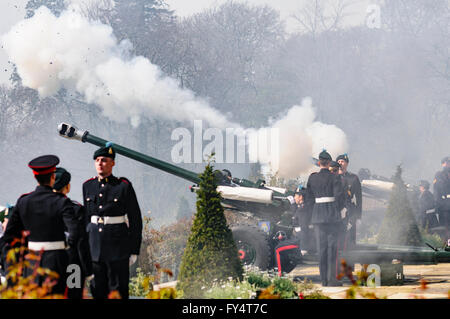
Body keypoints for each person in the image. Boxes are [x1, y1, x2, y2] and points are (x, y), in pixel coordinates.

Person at [0, 155, 80, 295]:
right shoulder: (62, 202)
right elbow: (75, 234)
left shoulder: (23, 201)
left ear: (35, 177)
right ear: (52, 177)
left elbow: (8, 239)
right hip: (56, 262)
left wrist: (12, 268)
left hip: (31, 264)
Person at [83, 144, 143, 299]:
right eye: (97, 160)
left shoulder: (123, 186)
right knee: (97, 291)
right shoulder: (87, 186)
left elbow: (135, 219)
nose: (100, 163)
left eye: (104, 160)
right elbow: (86, 220)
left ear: (112, 163)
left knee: (119, 291)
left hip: (118, 248)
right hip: (95, 248)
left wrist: (134, 249)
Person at [306, 150, 345, 287]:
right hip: (332, 217)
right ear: (329, 163)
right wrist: (336, 211)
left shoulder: (312, 178)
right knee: (332, 249)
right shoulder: (335, 178)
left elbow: (309, 200)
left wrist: (314, 214)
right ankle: (332, 279)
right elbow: (340, 199)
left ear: (318, 163)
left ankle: (323, 280)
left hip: (318, 217)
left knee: (321, 249)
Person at [53, 167, 92, 299]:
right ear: (67, 187)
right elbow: (82, 240)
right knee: (73, 294)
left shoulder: (36, 207)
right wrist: (88, 269)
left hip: (47, 264)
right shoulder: (76, 209)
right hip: (72, 264)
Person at [336, 154, 362, 251]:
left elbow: (359, 198)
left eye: (342, 161)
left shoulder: (353, 178)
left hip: (349, 211)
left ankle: (349, 261)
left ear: (346, 163)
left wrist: (359, 216)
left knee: (350, 238)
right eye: (338, 162)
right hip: (336, 210)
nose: (340, 164)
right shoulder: (333, 177)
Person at [288, 186, 314, 256]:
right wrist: (293, 205)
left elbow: (304, 229)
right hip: (299, 236)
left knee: (278, 248)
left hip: (300, 238)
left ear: (301, 197)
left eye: (295, 196)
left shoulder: (303, 209)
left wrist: (303, 249)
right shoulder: (303, 207)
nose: (294, 198)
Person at [433, 156, 450, 233]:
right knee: (445, 227)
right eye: (447, 163)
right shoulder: (439, 175)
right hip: (444, 207)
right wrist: (438, 205)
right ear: (443, 164)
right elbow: (437, 191)